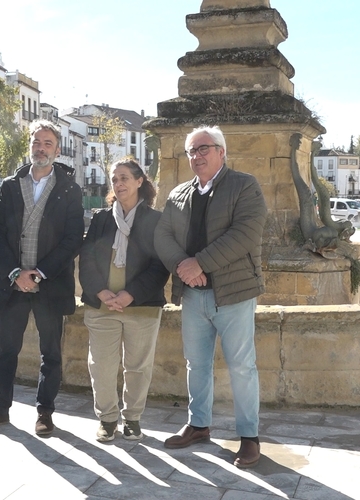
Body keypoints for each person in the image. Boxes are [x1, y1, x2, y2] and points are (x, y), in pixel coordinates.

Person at [154, 125, 267, 469]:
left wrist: (197, 263)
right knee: (196, 364)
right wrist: (184, 268)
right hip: (194, 296)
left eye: (203, 148)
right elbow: (163, 235)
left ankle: (249, 437)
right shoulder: (178, 194)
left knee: (242, 368)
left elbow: (244, 235)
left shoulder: (244, 186)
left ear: (221, 151)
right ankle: (199, 425)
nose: (196, 156)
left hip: (233, 294)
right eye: (191, 151)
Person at [0, 120, 84, 437]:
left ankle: (45, 413)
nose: (41, 148)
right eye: (36, 142)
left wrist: (40, 272)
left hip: (51, 283)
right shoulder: (9, 185)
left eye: (47, 143)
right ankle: (0, 409)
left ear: (57, 150)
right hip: (12, 284)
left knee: (51, 354)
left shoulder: (69, 189)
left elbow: (73, 238)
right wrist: (16, 272)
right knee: (4, 351)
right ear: (30, 146)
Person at [79, 158, 169, 443]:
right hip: (103, 306)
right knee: (101, 365)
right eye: (115, 179)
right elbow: (87, 259)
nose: (119, 184)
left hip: (141, 307)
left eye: (124, 178)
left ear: (140, 181)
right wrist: (101, 292)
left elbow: (160, 266)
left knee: (138, 366)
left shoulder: (156, 220)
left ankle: (132, 418)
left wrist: (131, 294)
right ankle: (107, 419)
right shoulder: (101, 219)